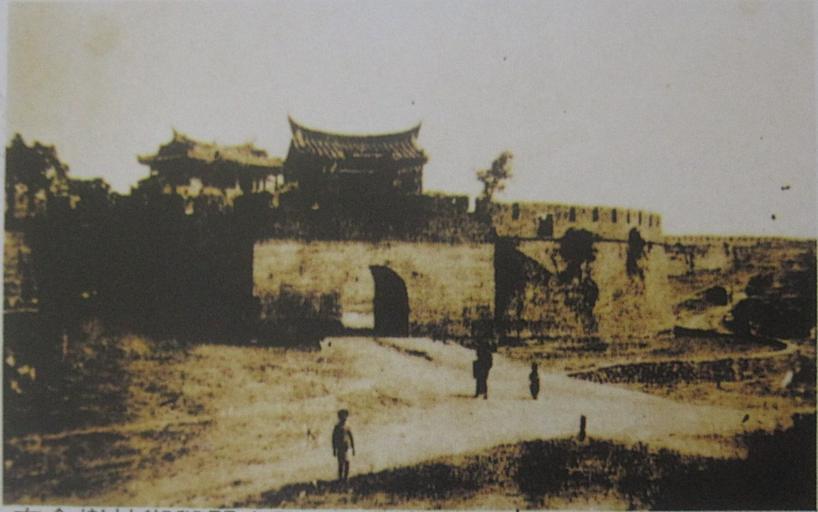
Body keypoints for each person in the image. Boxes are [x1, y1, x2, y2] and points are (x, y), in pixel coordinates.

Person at [331, 409, 355, 482]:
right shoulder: (337, 427)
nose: (344, 418)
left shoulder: (347, 426)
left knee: (347, 462)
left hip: (347, 447)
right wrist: (334, 449)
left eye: (345, 416)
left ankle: (346, 478)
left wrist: (353, 448)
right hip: (340, 448)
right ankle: (340, 478)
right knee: (341, 463)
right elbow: (334, 438)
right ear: (339, 417)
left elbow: (351, 437)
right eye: (342, 416)